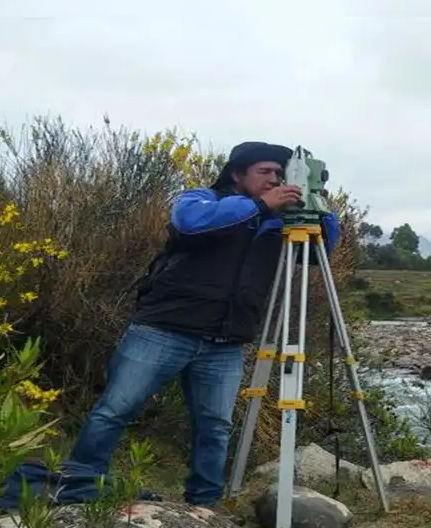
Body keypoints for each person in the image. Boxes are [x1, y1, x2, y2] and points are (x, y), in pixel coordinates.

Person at [64, 141, 342, 507]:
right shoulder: (203, 199)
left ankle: (203, 505)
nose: (273, 179)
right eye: (264, 172)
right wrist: (260, 206)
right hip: (164, 329)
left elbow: (320, 253)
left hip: (225, 341)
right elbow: (189, 223)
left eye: (279, 173)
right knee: (115, 409)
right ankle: (77, 487)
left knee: (215, 427)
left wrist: (315, 204)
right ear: (237, 174)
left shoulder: (279, 221)